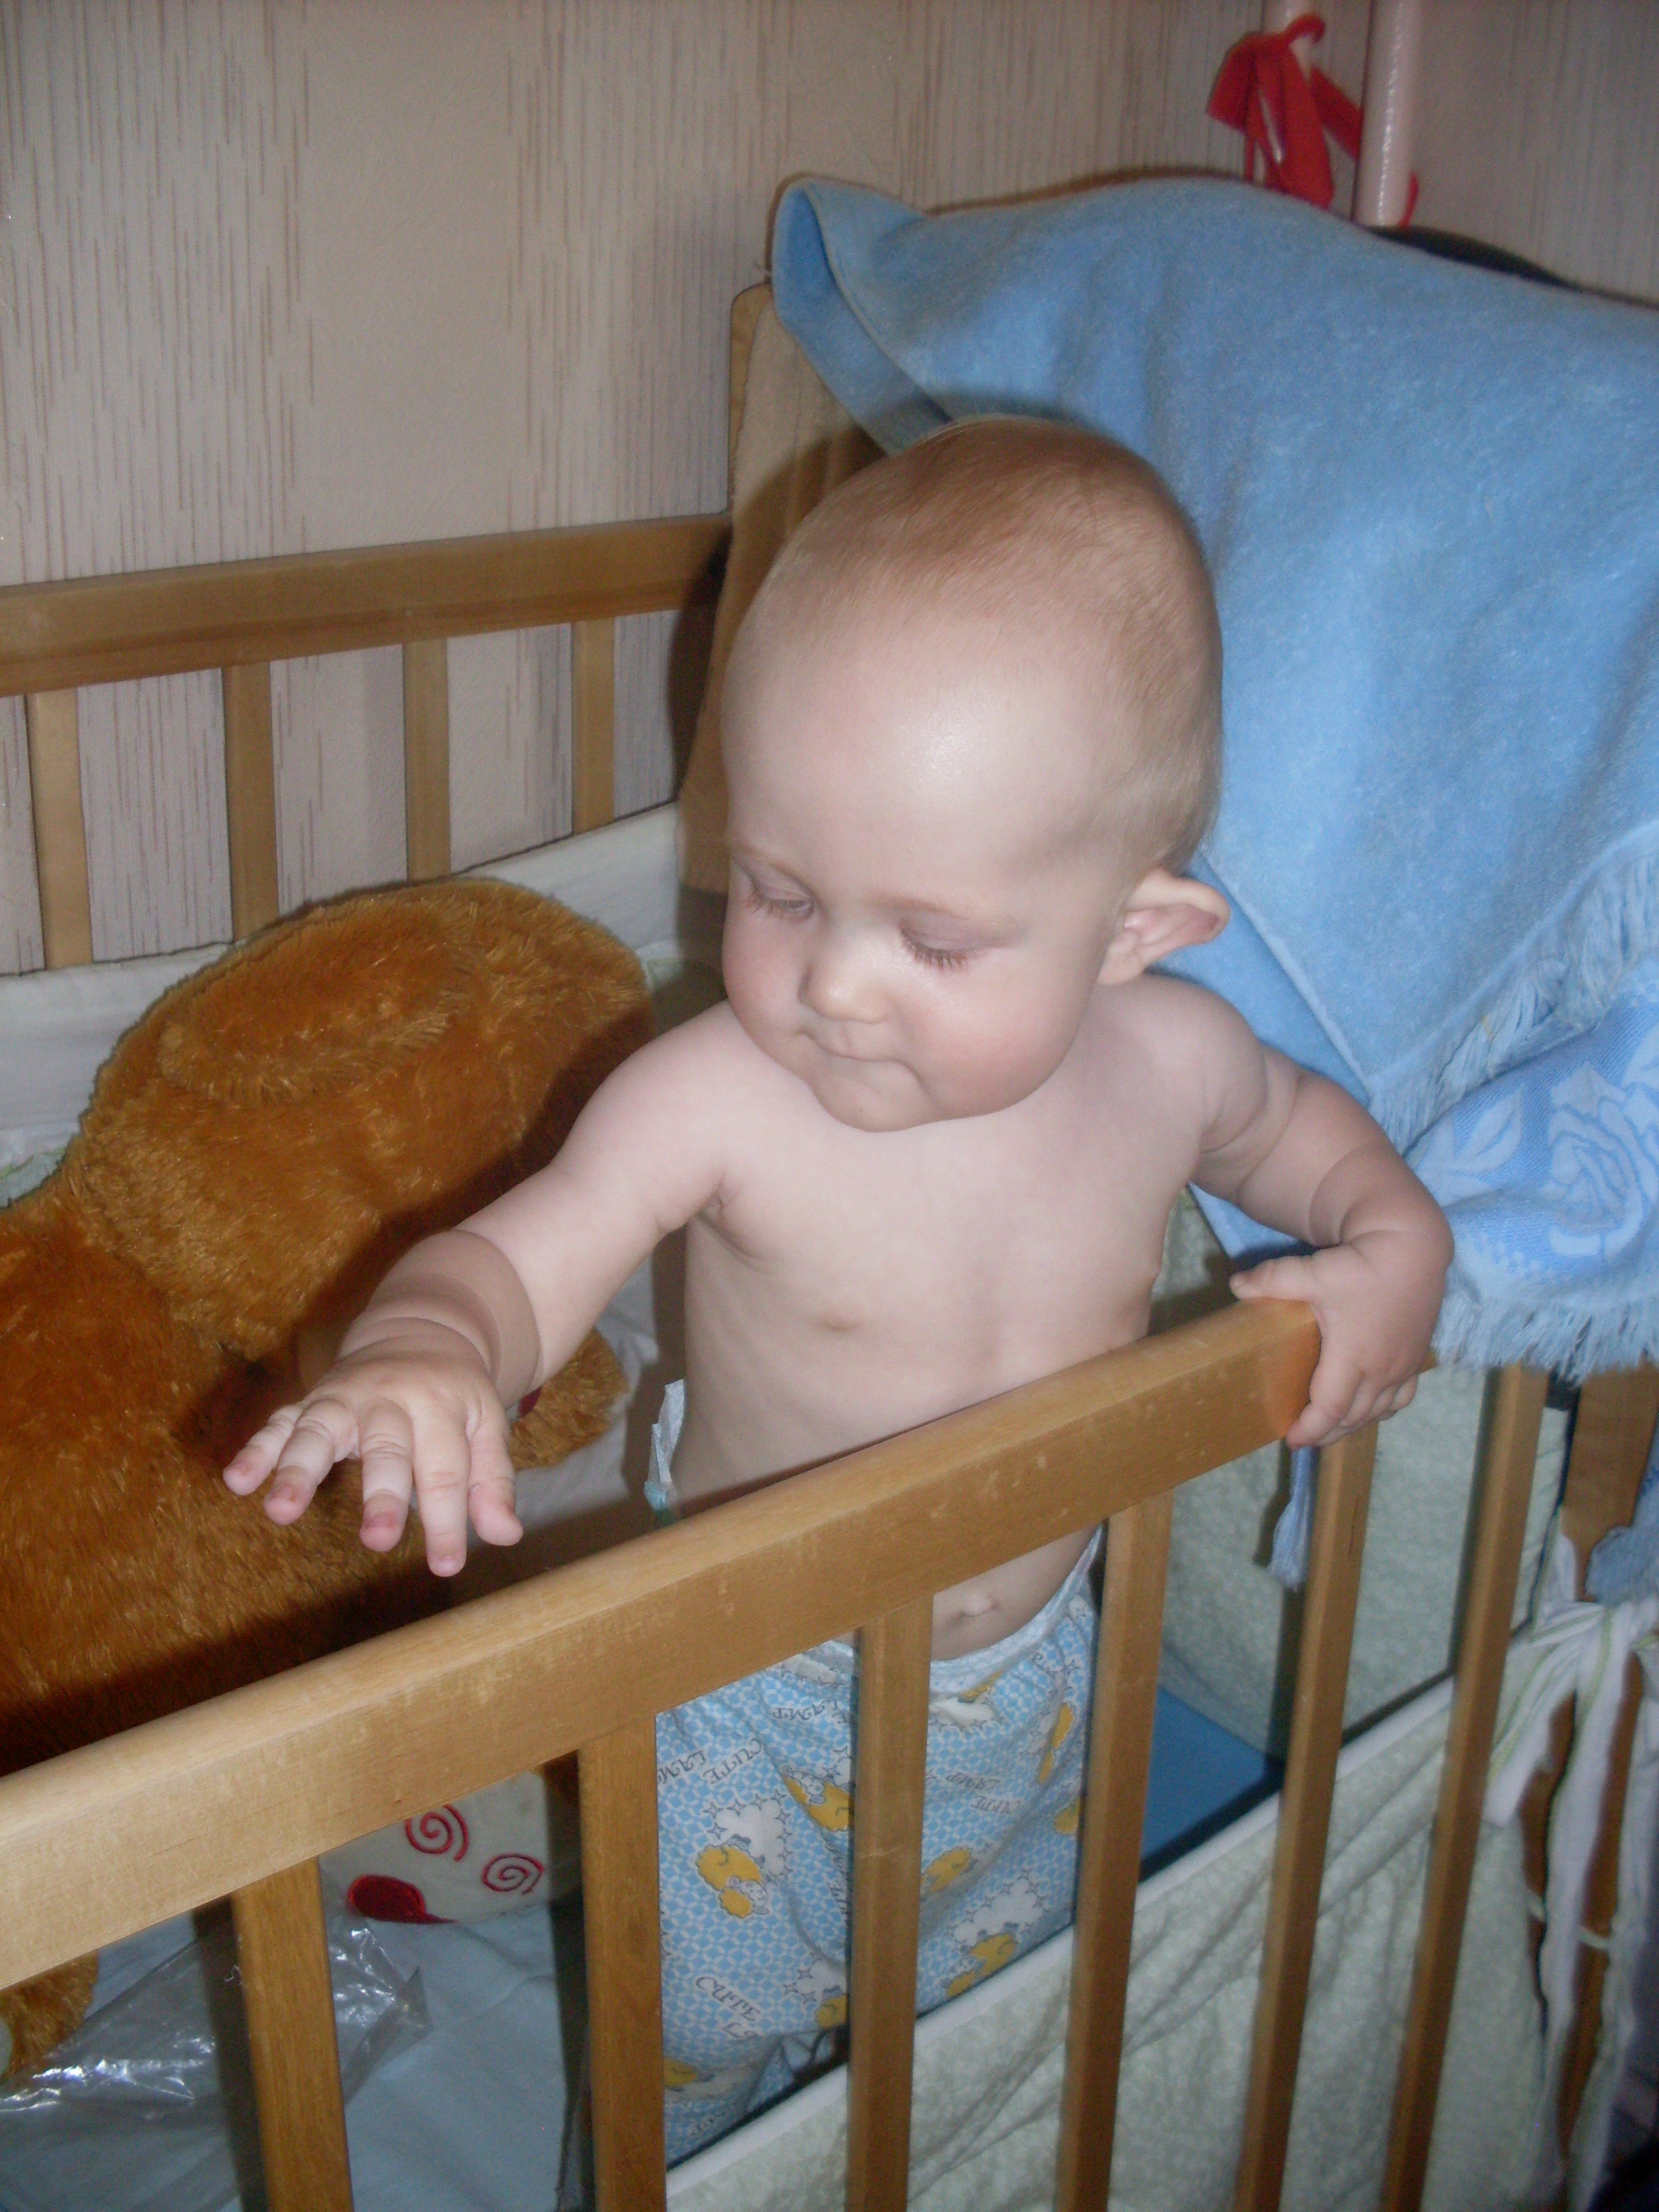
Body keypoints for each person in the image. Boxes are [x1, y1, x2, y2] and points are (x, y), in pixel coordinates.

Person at [224, 419, 1452, 2156]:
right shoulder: (716, 1095)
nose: (838, 989)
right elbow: (524, 1253)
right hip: (752, 1680)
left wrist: (1400, 1245)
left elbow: (1307, 1144)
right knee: (691, 2044)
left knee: (975, 2034)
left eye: (934, 940)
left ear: (1135, 933)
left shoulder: (1177, 1066)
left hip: (1029, 1682)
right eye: (781, 893)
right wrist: (430, 1346)